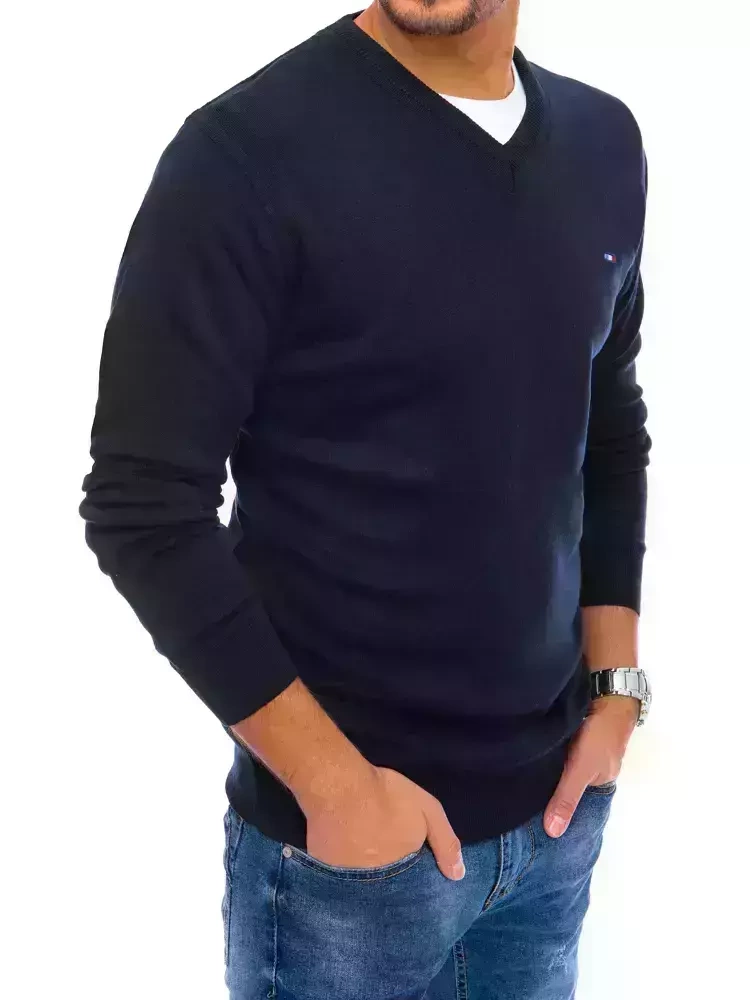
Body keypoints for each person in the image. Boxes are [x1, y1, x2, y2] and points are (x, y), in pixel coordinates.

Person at [80, 2, 653, 997]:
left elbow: (608, 425)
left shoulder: (604, 143)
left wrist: (616, 687)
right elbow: (143, 504)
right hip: (344, 867)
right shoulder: (244, 156)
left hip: (554, 832)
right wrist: (336, 788)